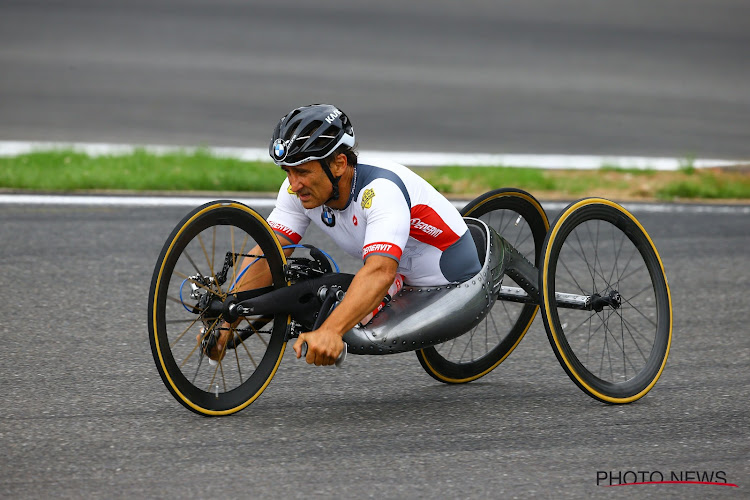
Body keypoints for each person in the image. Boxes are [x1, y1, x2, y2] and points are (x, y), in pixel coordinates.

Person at [206, 104, 481, 366]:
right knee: (313, 289)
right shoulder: (299, 189)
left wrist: (331, 331)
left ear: (338, 164)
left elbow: (380, 272)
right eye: (287, 171)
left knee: (334, 307)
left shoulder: (380, 192)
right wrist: (228, 321)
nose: (293, 184)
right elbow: (267, 255)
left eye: (302, 171)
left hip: (446, 279)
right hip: (398, 275)